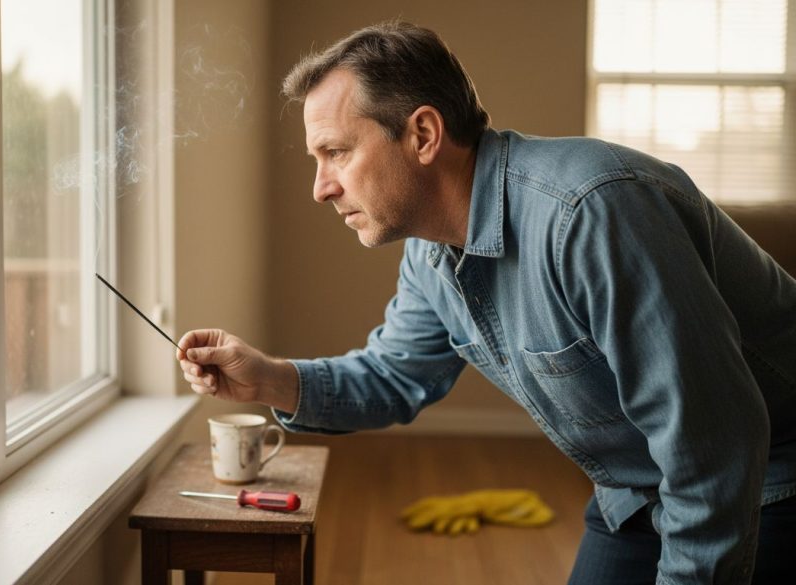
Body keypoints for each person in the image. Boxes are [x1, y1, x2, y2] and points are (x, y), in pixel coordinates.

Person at [176, 21, 796, 584]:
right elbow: (394, 376)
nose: (320, 188)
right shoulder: (428, 254)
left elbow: (715, 447)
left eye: (336, 152)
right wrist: (267, 378)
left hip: (766, 479)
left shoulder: (591, 212)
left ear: (422, 133)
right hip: (636, 490)